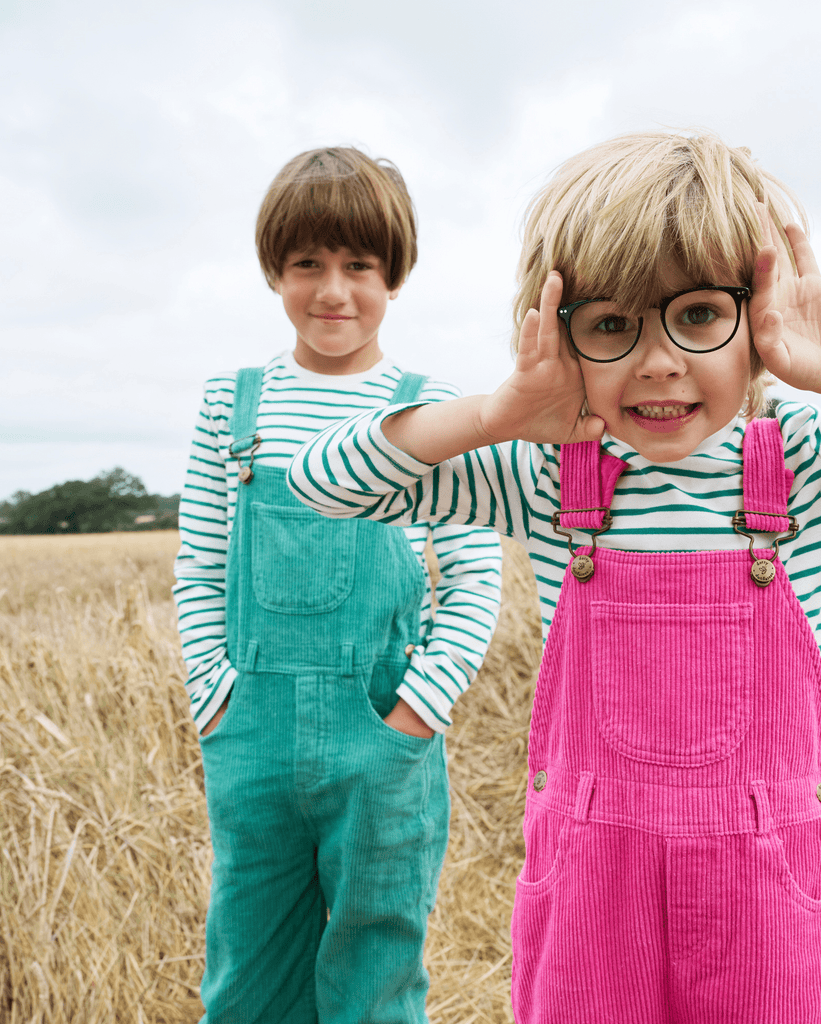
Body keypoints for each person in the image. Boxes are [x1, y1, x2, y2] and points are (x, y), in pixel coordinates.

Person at [284, 131, 821, 1023]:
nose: (659, 361)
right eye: (610, 326)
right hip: (593, 902)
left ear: (760, 316)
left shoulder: (814, 460)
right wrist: (494, 413)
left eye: (700, 315)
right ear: (561, 342)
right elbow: (322, 485)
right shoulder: (544, 475)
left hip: (767, 907)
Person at [172, 146, 503, 1024]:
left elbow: (472, 577)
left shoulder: (430, 407)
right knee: (248, 976)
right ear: (274, 271)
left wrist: (415, 714)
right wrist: (214, 697)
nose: (333, 291)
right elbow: (201, 564)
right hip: (252, 739)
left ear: (394, 274)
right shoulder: (229, 405)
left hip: (383, 735)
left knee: (376, 972)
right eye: (307, 264)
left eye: (359, 265)